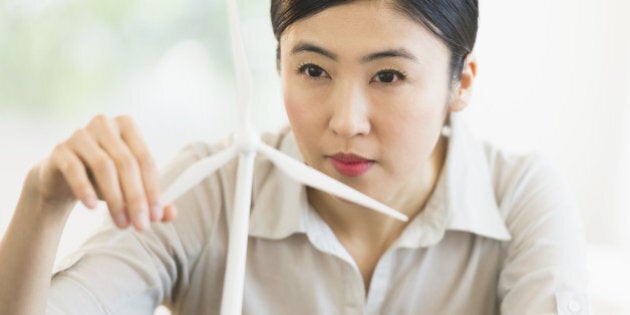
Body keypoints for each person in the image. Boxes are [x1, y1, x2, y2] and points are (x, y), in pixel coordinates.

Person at [0, 0, 590, 314]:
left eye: (388, 75)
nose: (345, 121)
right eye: (313, 70)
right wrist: (43, 203)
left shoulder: (521, 200)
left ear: (461, 84)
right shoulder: (208, 189)